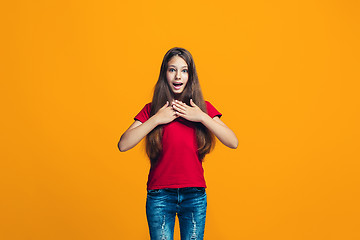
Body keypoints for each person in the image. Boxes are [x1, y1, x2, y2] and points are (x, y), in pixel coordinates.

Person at [118, 47, 238, 240]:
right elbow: (123, 144)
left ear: (190, 75)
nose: (177, 76)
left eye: (183, 70)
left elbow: (233, 141)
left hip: (194, 195)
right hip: (160, 195)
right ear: (164, 73)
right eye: (172, 69)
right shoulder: (153, 110)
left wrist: (201, 116)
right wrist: (157, 119)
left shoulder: (201, 108)